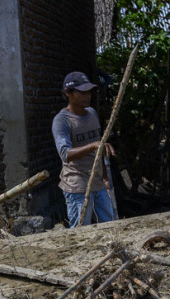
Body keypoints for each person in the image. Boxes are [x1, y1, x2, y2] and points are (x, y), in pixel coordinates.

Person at [52, 71, 116, 227]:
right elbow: (65, 154)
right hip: (77, 185)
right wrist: (93, 145)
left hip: (97, 181)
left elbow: (99, 150)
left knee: (110, 225)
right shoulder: (62, 121)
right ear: (69, 93)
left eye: (89, 92)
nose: (87, 96)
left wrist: (105, 178)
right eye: (82, 93)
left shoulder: (92, 113)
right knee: (81, 230)